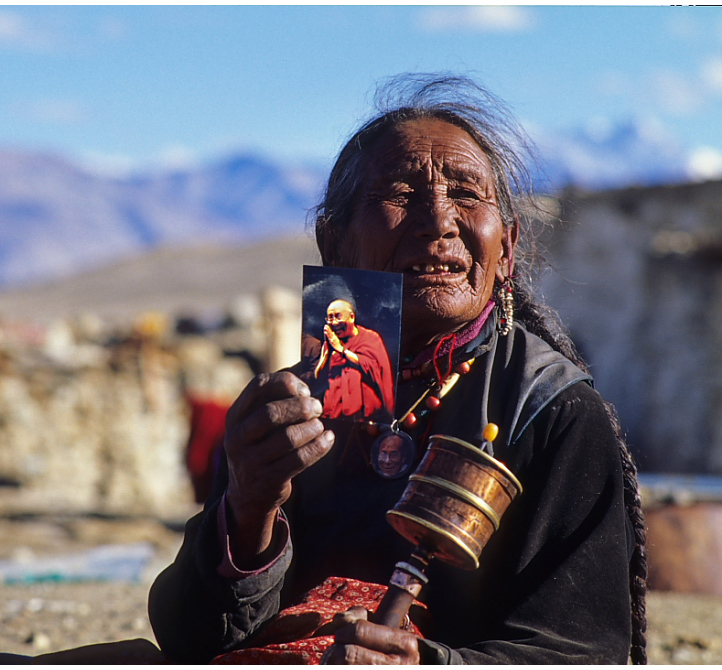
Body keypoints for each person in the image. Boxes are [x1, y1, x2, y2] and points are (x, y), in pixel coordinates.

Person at [148, 74, 648, 664]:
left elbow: (582, 652)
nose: (438, 221)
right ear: (334, 243)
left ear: (507, 247)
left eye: (466, 193)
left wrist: (426, 664)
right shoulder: (294, 408)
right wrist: (249, 507)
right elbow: (189, 638)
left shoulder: (551, 411)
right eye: (401, 193)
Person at [314, 298, 395, 422]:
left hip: (365, 415)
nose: (334, 323)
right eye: (330, 318)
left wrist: (342, 350)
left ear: (351, 317)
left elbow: (374, 368)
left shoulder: (370, 338)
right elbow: (318, 377)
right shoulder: (330, 343)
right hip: (334, 414)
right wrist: (325, 355)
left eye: (338, 317)